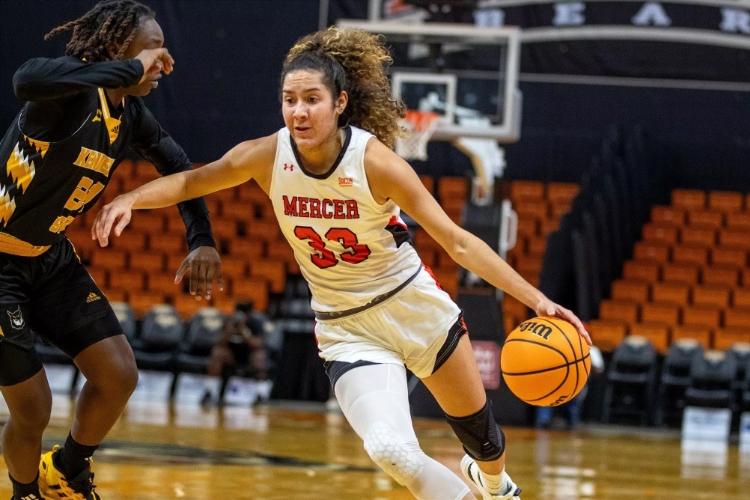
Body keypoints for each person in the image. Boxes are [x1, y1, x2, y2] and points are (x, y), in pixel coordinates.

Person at [92, 27, 590, 500]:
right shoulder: (266, 156)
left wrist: (538, 301)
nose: (299, 111)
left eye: (312, 99)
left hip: (413, 307)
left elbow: (458, 243)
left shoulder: (375, 163)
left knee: (484, 442)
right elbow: (191, 181)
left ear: (340, 103)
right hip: (346, 327)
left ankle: (495, 482)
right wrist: (130, 199)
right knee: (391, 450)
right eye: (289, 99)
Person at [0, 2, 223, 499]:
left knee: (118, 374)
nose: (163, 61)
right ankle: (24, 493)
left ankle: (66, 469)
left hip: (49, 257)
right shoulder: (67, 94)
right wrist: (129, 68)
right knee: (33, 408)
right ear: (119, 50)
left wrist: (202, 239)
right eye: (153, 48)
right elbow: (25, 78)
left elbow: (181, 169)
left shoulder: (132, 117)